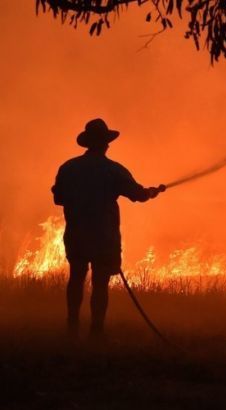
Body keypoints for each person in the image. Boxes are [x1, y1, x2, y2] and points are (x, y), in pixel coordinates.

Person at [52, 118, 165, 340]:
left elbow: (59, 199)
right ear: (105, 144)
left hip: (76, 233)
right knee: (100, 283)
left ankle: (72, 326)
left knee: (76, 277)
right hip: (104, 236)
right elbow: (138, 195)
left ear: (87, 144)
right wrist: (152, 192)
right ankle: (96, 330)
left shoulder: (68, 168)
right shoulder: (113, 170)